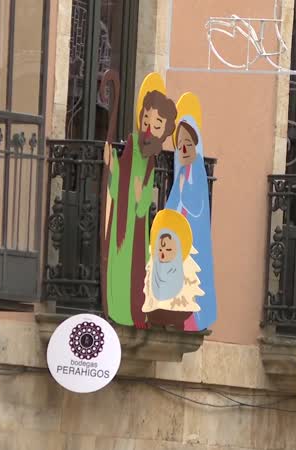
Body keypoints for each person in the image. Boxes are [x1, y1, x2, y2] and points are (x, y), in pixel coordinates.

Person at [102, 73, 178, 328]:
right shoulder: (133, 146)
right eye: (146, 119)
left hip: (136, 225)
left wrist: (139, 194)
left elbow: (146, 198)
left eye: (156, 125)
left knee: (133, 270)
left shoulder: (151, 159)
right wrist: (112, 162)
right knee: (118, 265)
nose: (148, 127)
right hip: (121, 225)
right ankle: (114, 304)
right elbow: (118, 176)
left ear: (163, 130)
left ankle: (129, 310)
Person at [165, 94, 217, 331]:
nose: (184, 149)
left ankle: (191, 318)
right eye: (180, 144)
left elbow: (195, 207)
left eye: (188, 143)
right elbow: (172, 206)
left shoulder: (197, 178)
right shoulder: (181, 178)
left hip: (191, 240)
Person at [142, 209, 203, 329]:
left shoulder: (183, 275)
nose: (163, 254)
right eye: (160, 250)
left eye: (168, 250)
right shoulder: (154, 272)